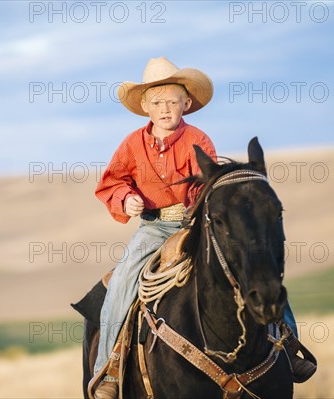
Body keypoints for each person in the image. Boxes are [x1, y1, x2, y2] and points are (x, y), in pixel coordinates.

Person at [92, 56, 217, 399]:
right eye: (157, 102)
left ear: (186, 104)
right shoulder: (132, 144)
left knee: (243, 265)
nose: (165, 109)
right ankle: (110, 368)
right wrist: (126, 198)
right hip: (153, 228)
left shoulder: (199, 140)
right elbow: (111, 183)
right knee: (122, 282)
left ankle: (284, 343)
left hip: (194, 225)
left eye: (173, 102)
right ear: (145, 106)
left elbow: (207, 182)